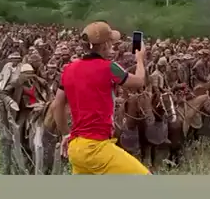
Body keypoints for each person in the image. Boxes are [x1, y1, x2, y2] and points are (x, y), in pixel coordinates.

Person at [52, 21, 151, 175]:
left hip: (76, 148)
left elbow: (56, 105)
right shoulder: (109, 67)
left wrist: (66, 133)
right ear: (105, 45)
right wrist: (139, 58)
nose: (113, 46)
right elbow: (139, 81)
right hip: (97, 148)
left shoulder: (68, 69)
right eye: (111, 43)